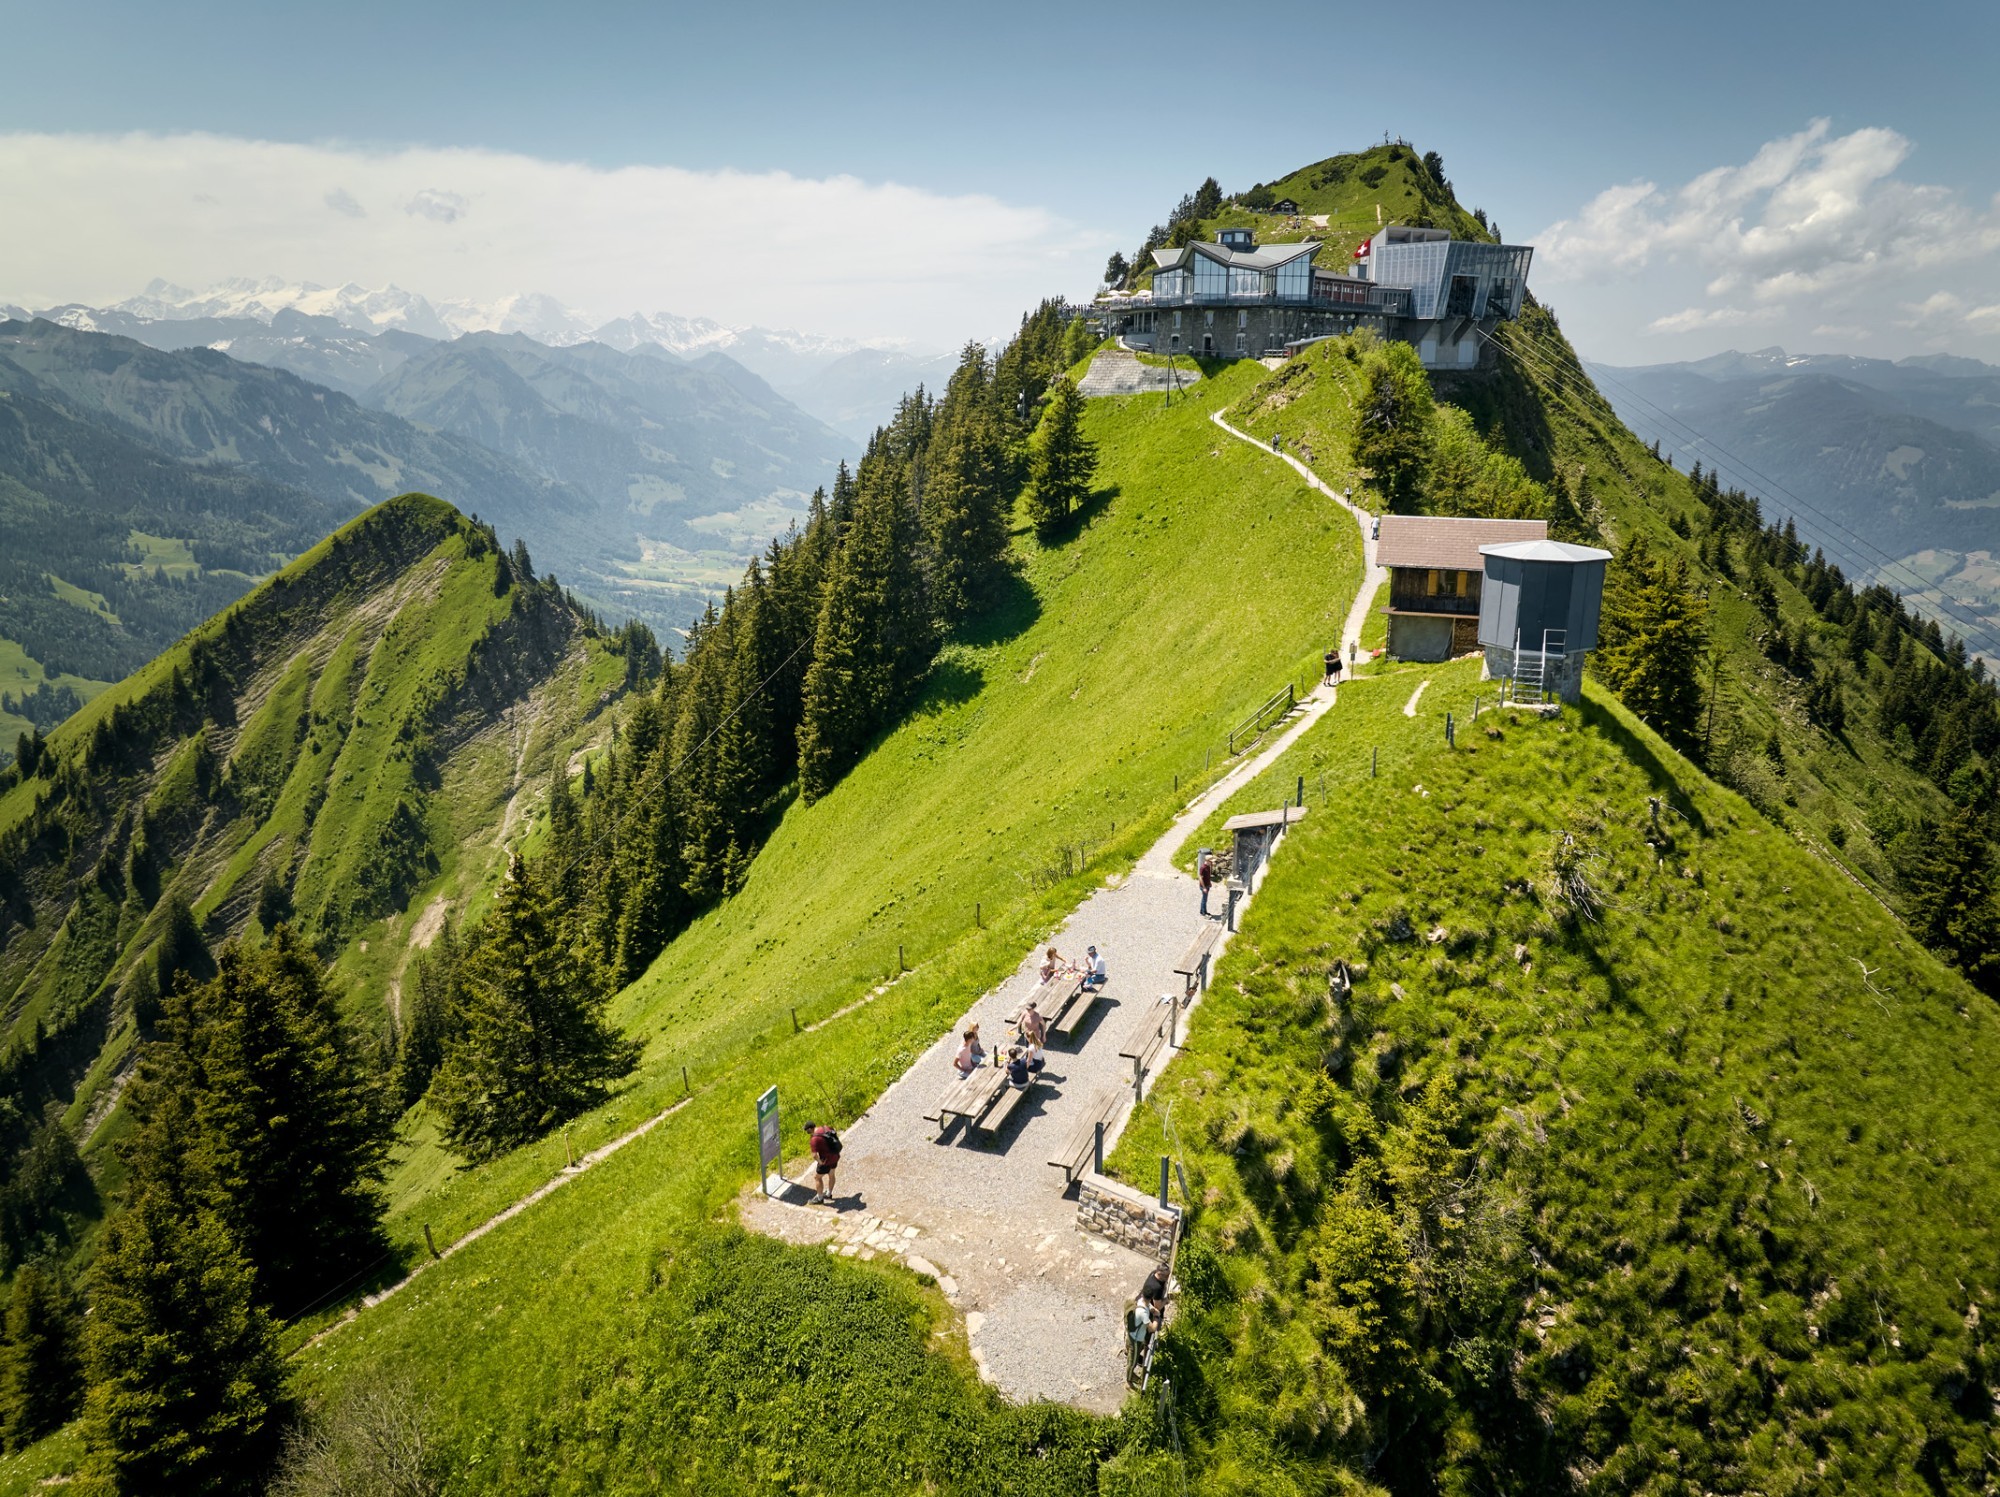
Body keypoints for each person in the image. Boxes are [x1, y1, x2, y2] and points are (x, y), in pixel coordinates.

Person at [805, 1120, 842, 1205]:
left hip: (826, 1161)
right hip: (835, 1156)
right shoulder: (826, 1128)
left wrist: (820, 1162)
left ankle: (820, 1198)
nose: (807, 1132)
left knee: (817, 1178)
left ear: (810, 1129)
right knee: (831, 1174)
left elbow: (814, 1155)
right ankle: (829, 1193)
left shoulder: (814, 1139)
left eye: (807, 1130)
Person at [1125, 1298, 1155, 1385]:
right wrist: (1156, 1319)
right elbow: (1151, 1328)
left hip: (1131, 1335)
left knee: (1133, 1355)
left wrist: (1153, 1309)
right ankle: (1129, 1379)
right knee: (1133, 1362)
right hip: (1136, 1340)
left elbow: (1149, 1305)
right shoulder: (1143, 1313)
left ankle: (1130, 1354)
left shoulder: (1141, 1301)